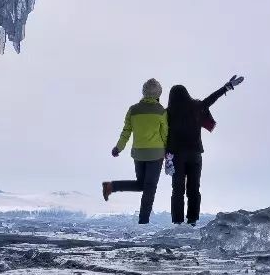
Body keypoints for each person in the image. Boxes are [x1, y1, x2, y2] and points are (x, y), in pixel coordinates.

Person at [166, 74, 244, 225]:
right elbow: (212, 98)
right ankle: (193, 220)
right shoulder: (196, 106)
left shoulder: (167, 113)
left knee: (177, 190)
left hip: (176, 156)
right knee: (194, 188)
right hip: (195, 155)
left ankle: (177, 222)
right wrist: (228, 86)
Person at [102, 78, 168, 224]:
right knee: (149, 188)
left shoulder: (133, 110)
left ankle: (111, 186)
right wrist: (168, 151)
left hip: (139, 154)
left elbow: (126, 131)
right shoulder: (161, 112)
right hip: (156, 155)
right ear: (158, 94)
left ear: (144, 93)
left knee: (141, 185)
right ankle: (143, 222)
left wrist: (118, 147)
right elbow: (165, 134)